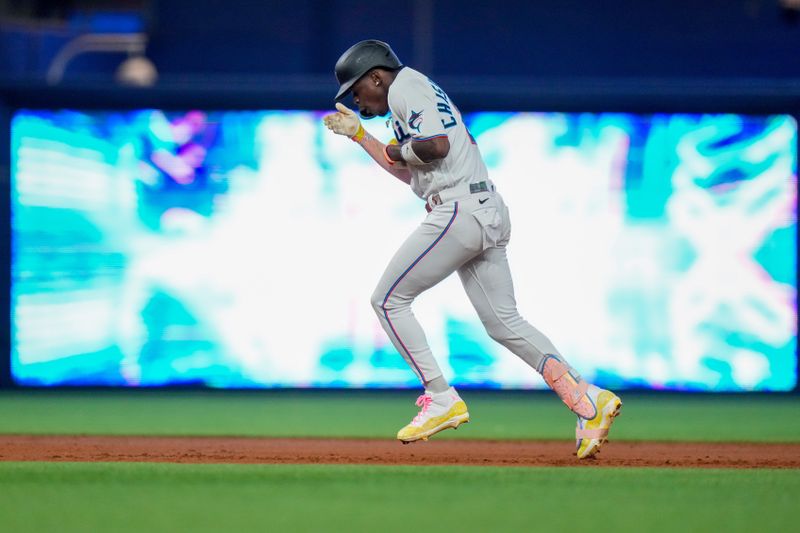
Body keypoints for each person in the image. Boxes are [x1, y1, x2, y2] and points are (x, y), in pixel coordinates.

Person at [323, 40, 622, 459]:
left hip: (460, 208)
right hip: (483, 207)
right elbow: (410, 170)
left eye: (357, 90)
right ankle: (588, 400)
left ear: (377, 76)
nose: (357, 99)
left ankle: (440, 395)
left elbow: (435, 146)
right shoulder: (412, 99)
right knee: (503, 322)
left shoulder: (406, 86)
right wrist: (360, 136)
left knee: (388, 300)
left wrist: (392, 147)